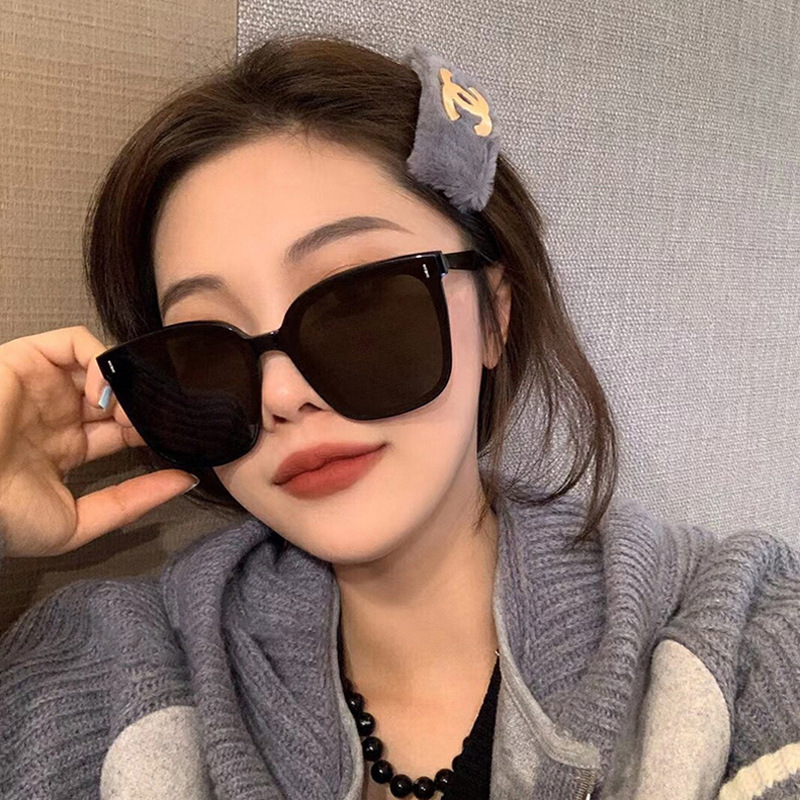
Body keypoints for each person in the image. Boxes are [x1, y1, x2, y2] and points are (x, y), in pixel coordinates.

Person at [1, 32, 799, 800]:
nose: (282, 396)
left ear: (494, 316)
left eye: (358, 305)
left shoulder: (735, 633)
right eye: (206, 348)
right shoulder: (104, 667)